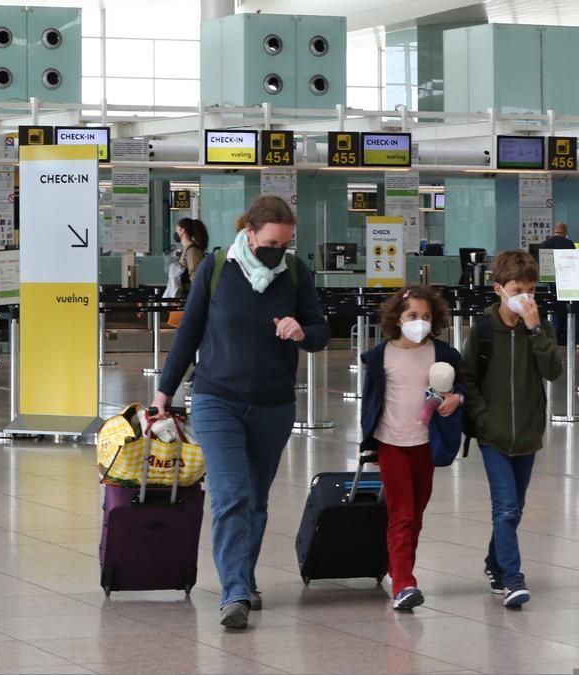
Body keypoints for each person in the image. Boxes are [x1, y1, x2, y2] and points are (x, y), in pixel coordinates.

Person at [151, 195, 329, 629]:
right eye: (270, 242)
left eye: (285, 245)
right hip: (216, 398)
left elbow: (321, 331)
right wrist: (164, 393)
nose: (277, 252)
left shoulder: (297, 274)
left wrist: (302, 330)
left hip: (273, 403)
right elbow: (189, 331)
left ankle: (244, 579)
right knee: (231, 495)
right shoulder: (216, 269)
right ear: (249, 232)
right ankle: (234, 592)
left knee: (255, 499)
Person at [459, 250, 562, 608]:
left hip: (528, 435)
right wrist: (483, 418)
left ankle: (493, 563)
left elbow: (553, 371)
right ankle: (512, 577)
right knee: (504, 508)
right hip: (494, 435)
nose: (526, 297)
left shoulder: (541, 326)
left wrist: (535, 329)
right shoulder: (484, 329)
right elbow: (467, 378)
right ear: (499, 288)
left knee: (515, 508)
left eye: (531, 290)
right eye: (519, 289)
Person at [360, 286, 463, 610]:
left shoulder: (443, 355)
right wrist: (368, 442)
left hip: (426, 446)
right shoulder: (381, 356)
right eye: (412, 316)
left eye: (426, 316)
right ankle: (404, 583)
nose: (420, 322)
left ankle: (397, 568)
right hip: (392, 446)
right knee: (401, 513)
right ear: (397, 318)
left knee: (415, 515)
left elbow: (462, 388)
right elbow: (370, 402)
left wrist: (455, 399)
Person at [539, 223, 575, 345]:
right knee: (566, 310)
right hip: (566, 283)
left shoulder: (545, 244)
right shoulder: (569, 244)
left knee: (553, 310)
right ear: (564, 232)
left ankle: (554, 338)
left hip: (550, 283)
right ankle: (565, 338)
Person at [164, 218, 209, 300]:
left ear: (182, 230)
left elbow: (195, 276)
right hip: (186, 296)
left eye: (177, 230)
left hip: (190, 297)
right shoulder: (186, 249)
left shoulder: (192, 251)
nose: (176, 233)